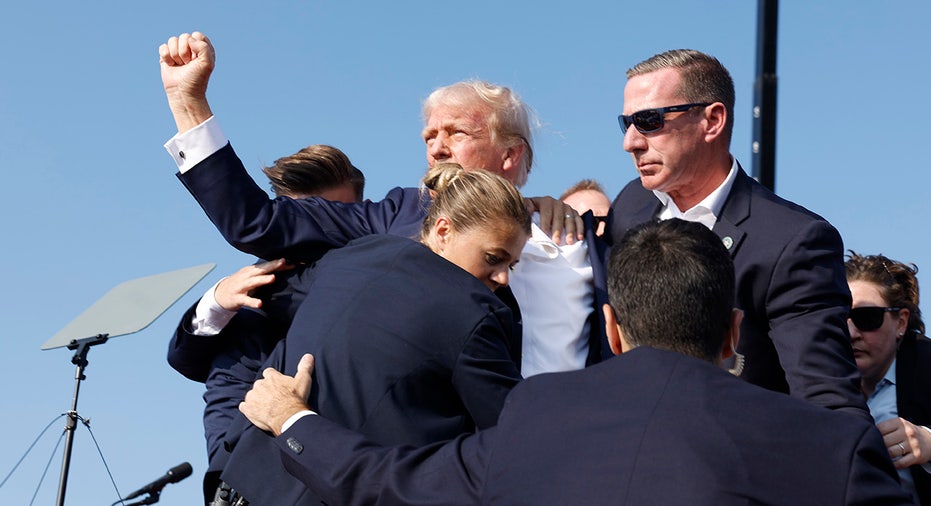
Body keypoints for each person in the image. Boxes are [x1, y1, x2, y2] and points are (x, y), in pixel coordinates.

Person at [238, 219, 911, 505]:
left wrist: (292, 419)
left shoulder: (538, 416)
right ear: (733, 331)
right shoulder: (834, 449)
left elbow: (391, 482)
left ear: (611, 329)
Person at [157, 32, 612, 380]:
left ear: (509, 154)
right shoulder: (396, 215)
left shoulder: (582, 242)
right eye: (429, 137)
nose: (437, 149)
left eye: (456, 133)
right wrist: (188, 102)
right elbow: (257, 223)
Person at [217, 163, 530, 505]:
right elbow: (516, 444)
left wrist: (215, 300)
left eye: (510, 266)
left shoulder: (353, 255)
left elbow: (260, 305)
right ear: (443, 231)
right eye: (493, 258)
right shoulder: (477, 314)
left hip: (242, 483)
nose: (503, 279)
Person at [607, 49, 868, 417]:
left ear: (712, 121)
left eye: (649, 120)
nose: (630, 142)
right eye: (627, 123)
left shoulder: (792, 242)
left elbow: (829, 405)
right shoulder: (630, 207)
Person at [165, 143, 365, 501]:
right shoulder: (257, 289)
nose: (317, 233)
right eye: (305, 219)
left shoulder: (376, 282)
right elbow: (185, 359)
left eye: (333, 218)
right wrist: (216, 302)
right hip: (242, 482)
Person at [846, 251, 931, 503]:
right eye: (839, 318)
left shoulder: (926, 366)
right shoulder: (808, 371)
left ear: (901, 322)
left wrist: (928, 443)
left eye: (866, 318)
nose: (851, 332)